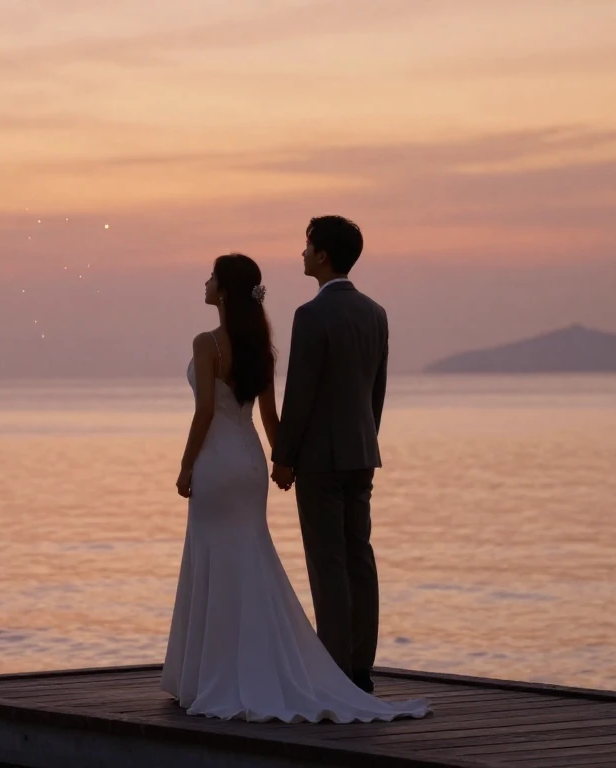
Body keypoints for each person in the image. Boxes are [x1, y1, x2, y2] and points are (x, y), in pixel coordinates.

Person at [160, 250, 426, 723]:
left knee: (211, 556)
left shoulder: (206, 343)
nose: (205, 283)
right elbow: (269, 417)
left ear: (225, 290)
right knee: (249, 556)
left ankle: (208, 673)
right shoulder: (260, 347)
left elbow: (204, 413)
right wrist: (282, 463)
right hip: (249, 464)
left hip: (217, 463)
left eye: (212, 277)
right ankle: (265, 664)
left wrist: (185, 467)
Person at [271, 215, 389, 694]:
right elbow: (376, 392)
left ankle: (335, 670)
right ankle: (361, 667)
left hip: (321, 459)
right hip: (362, 452)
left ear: (322, 255)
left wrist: (284, 456)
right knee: (359, 557)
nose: (301, 253)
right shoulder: (375, 313)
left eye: (306, 246)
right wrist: (366, 438)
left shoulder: (311, 315)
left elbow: (300, 392)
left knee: (327, 563)